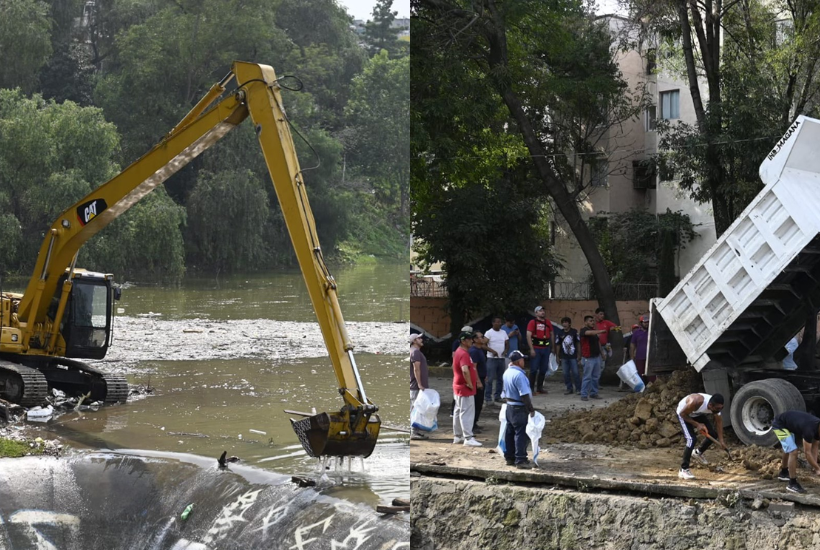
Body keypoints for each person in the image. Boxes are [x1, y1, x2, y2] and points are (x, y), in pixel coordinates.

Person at [675, 393, 725, 480]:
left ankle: (698, 452)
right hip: (684, 414)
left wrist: (721, 440)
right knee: (691, 439)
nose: (718, 411)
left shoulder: (716, 408)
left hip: (696, 413)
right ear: (710, 405)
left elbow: (719, 422)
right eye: (717, 409)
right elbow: (682, 414)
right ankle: (683, 469)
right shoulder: (696, 402)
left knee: (713, 434)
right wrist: (697, 424)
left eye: (721, 408)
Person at [503, 350, 536, 469]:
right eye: (522, 359)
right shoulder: (519, 375)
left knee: (510, 432)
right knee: (521, 433)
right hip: (519, 407)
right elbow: (524, 395)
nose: (524, 361)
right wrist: (531, 409)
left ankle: (509, 457)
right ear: (518, 361)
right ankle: (521, 459)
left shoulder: (507, 372)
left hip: (509, 406)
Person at [772, 410, 820, 494]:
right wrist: (817, 468)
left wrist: (814, 466)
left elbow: (815, 447)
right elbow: (807, 453)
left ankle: (784, 473)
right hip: (780, 424)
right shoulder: (809, 429)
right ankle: (792, 483)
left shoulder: (818, 428)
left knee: (788, 448)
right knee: (793, 451)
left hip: (788, 423)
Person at [452, 331, 482, 447]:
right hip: (465, 387)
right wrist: (469, 383)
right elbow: (465, 370)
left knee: (458, 411)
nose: (472, 341)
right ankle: (468, 438)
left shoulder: (459, 352)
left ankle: (457, 436)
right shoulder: (464, 354)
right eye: (469, 339)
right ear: (463, 341)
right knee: (467, 412)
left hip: (459, 386)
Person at [526, 305, 553, 395]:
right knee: (533, 369)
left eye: (543, 311)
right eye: (540, 311)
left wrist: (552, 347)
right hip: (536, 348)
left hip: (546, 348)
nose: (543, 312)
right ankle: (531, 388)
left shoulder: (548, 322)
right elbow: (528, 335)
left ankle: (540, 388)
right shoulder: (532, 322)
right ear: (536, 313)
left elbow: (552, 334)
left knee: (543, 369)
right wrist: (531, 349)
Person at [579, 315, 606, 401]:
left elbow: (598, 343)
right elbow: (589, 333)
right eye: (590, 321)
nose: (592, 322)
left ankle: (594, 393)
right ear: (585, 322)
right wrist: (601, 331)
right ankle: (584, 394)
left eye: (593, 321)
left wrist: (602, 353)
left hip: (596, 357)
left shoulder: (594, 332)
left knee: (595, 376)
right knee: (587, 376)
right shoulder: (583, 331)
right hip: (588, 357)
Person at [484, 316, 509, 406]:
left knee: (500, 378)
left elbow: (507, 343)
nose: (499, 324)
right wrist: (492, 351)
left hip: (501, 358)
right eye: (497, 322)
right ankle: (488, 398)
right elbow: (483, 344)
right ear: (493, 323)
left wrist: (505, 351)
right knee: (489, 379)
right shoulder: (489, 333)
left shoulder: (503, 332)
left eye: (500, 322)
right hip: (491, 358)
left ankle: (498, 396)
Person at [409, 332, 429, 440]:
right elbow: (416, 369)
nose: (421, 339)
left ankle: (415, 431)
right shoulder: (415, 352)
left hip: (415, 386)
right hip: (416, 386)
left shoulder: (415, 351)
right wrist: (420, 384)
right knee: (416, 409)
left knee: (416, 409)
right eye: (419, 338)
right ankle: (413, 432)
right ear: (414, 341)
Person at [555, 317, 581, 395]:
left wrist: (579, 354)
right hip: (564, 357)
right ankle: (569, 388)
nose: (564, 324)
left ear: (569, 323)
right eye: (563, 322)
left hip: (573, 356)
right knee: (565, 373)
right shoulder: (560, 333)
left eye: (566, 322)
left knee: (576, 373)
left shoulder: (574, 332)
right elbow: (558, 345)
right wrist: (557, 356)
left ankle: (578, 389)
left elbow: (578, 343)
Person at [469, 331, 488, 433]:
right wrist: (478, 381)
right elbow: (474, 367)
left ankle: (475, 422)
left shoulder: (480, 350)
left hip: (481, 378)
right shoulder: (474, 351)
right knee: (476, 402)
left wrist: (485, 375)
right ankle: (472, 425)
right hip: (477, 381)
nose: (483, 338)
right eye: (481, 337)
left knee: (479, 402)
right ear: (475, 340)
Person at [618, 324, 640, 391]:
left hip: (638, 356)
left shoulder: (640, 336)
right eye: (634, 329)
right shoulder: (629, 337)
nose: (636, 330)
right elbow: (626, 346)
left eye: (637, 329)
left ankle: (635, 386)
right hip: (630, 357)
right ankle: (625, 386)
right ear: (632, 330)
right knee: (628, 372)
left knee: (637, 372)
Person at [630, 315, 650, 381]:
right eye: (645, 322)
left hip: (650, 357)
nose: (647, 324)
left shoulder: (651, 331)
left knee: (651, 375)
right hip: (640, 356)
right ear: (641, 323)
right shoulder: (636, 333)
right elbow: (632, 345)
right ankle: (642, 389)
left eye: (648, 322)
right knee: (640, 373)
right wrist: (632, 356)